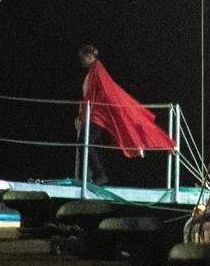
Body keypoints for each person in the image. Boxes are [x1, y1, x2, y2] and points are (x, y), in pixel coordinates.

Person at [75, 44, 175, 189]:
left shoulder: (97, 69)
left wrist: (83, 116)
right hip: (95, 113)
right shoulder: (93, 70)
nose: (81, 61)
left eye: (82, 58)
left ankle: (100, 174)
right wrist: (82, 114)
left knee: (84, 142)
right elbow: (89, 94)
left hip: (98, 114)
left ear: (89, 56)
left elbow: (97, 93)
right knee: (86, 143)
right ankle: (93, 176)